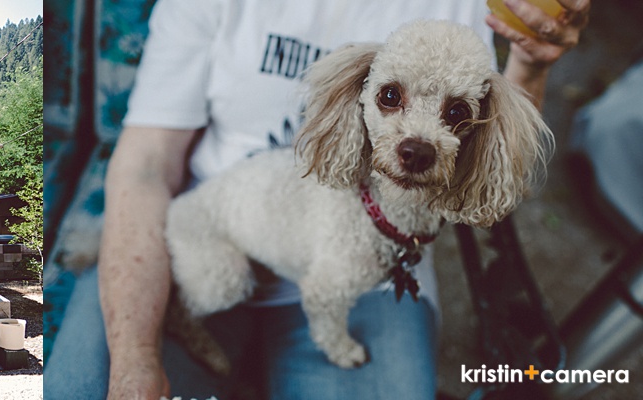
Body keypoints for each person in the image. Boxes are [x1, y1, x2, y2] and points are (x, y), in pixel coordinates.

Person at [43, 0, 589, 398]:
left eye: (452, 115)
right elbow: (144, 163)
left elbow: (492, 152)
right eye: (392, 98)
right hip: (211, 231)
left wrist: (530, 65)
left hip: (382, 276)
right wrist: (136, 358)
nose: (419, 138)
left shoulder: (466, 6)